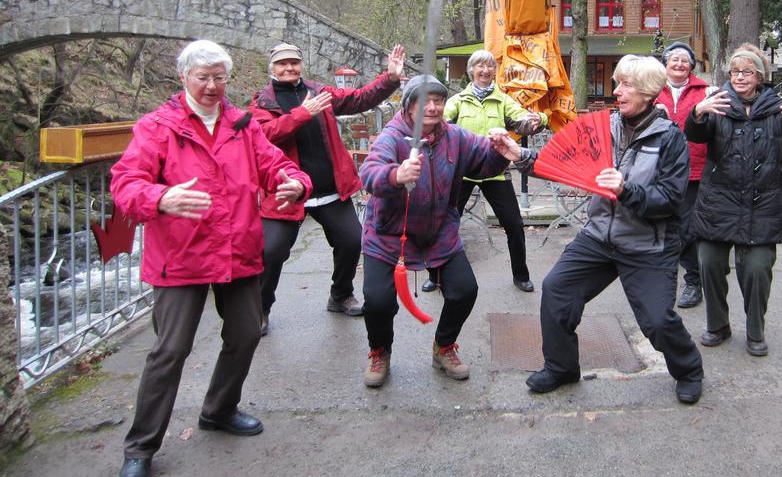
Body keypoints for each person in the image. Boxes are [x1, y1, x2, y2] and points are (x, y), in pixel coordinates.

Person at [110, 40, 311, 477]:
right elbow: (125, 183)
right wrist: (161, 196)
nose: (212, 85)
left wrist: (295, 180)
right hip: (181, 256)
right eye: (202, 77)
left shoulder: (241, 124)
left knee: (245, 334)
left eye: (219, 77)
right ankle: (140, 448)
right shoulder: (157, 127)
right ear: (183, 77)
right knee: (171, 350)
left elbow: (274, 164)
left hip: (238, 250)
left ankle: (219, 409)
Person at [493, 54, 705, 405]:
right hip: (600, 236)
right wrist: (520, 155)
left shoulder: (670, 139)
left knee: (657, 321)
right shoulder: (605, 126)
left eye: (626, 85)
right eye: (617, 83)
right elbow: (564, 164)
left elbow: (670, 200)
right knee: (557, 290)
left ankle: (689, 370)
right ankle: (561, 367)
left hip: (647, 244)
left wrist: (626, 190)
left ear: (649, 92)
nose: (616, 90)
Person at [358, 74, 513, 387]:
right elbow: (369, 172)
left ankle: (443, 346)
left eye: (438, 100)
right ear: (409, 106)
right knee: (377, 301)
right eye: (424, 101)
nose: (432, 107)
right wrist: (395, 174)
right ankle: (380, 351)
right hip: (388, 236)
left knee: (465, 290)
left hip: (440, 231)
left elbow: (484, 161)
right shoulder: (392, 136)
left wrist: (498, 150)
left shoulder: (455, 137)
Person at [249, 42, 405, 334]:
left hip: (330, 189)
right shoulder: (262, 102)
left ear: (300, 65)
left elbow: (358, 99)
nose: (288, 68)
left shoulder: (319, 92)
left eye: (293, 63)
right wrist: (302, 113)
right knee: (271, 252)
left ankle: (341, 294)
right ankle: (260, 309)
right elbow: (263, 135)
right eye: (282, 64)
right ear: (272, 68)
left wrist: (391, 78)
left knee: (351, 241)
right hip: (286, 191)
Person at [685, 43, 782, 358]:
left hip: (764, 204)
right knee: (709, 262)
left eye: (747, 71)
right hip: (719, 202)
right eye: (735, 71)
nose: (739, 77)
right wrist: (697, 114)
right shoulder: (716, 102)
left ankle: (755, 329)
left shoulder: (775, 107)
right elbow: (696, 134)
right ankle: (718, 325)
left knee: (757, 268)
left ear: (760, 76)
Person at [419, 49, 546, 294]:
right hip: (461, 170)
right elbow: (439, 121)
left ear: (494, 71)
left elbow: (521, 120)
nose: (485, 71)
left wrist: (535, 120)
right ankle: (435, 275)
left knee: (514, 224)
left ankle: (521, 275)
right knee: (444, 223)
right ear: (471, 71)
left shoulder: (503, 100)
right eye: (480, 66)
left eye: (489, 66)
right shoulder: (458, 100)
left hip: (494, 170)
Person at [654, 41, 709, 309]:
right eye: (674, 59)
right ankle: (659, 276)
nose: (679, 64)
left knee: (687, 228)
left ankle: (694, 281)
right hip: (658, 168)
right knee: (662, 223)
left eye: (684, 60)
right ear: (665, 63)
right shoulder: (652, 88)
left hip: (694, 169)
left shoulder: (704, 91)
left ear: (691, 66)